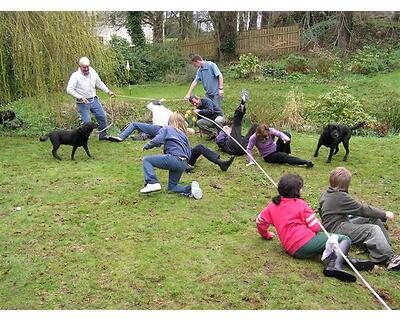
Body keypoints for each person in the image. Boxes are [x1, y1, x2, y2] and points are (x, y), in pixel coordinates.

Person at [256, 174, 374, 282]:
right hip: (305, 242)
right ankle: (335, 266)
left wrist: (265, 234)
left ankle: (349, 260)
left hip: (291, 249)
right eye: (301, 187)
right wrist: (315, 220)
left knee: (326, 244)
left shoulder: (272, 205)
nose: (302, 189)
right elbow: (316, 228)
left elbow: (260, 221)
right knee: (344, 239)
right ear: (296, 191)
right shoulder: (301, 205)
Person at [319, 167, 400, 271]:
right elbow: (362, 209)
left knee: (372, 219)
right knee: (372, 229)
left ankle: (384, 247)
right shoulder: (341, 197)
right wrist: (385, 214)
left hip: (336, 224)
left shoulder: (326, 193)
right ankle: (389, 258)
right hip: (337, 229)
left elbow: (321, 210)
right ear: (345, 185)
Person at [140, 112, 203, 200]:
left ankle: (152, 182)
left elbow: (158, 140)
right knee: (172, 187)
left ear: (170, 121)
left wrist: (147, 146)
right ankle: (190, 189)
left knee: (146, 160)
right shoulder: (183, 135)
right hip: (183, 163)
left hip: (173, 158)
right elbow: (189, 151)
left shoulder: (167, 129)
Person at [66, 57, 116, 141]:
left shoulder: (93, 72)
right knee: (87, 123)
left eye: (87, 67)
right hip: (82, 102)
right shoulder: (75, 76)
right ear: (80, 66)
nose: (86, 69)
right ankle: (83, 139)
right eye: (84, 67)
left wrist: (108, 91)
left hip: (94, 99)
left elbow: (99, 83)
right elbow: (69, 89)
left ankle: (103, 136)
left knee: (102, 117)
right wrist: (80, 97)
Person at [246, 124, 314, 168]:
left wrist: (285, 138)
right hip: (269, 156)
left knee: (286, 134)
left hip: (276, 148)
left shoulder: (270, 130)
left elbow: (280, 134)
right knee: (283, 156)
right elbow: (249, 148)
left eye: (266, 137)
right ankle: (305, 162)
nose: (264, 139)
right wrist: (251, 161)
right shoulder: (253, 137)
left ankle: (285, 154)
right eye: (262, 139)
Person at [215, 90, 258, 156]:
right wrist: (223, 132)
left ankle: (270, 140)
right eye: (227, 129)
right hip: (233, 146)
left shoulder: (236, 134)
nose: (228, 129)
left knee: (255, 126)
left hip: (243, 149)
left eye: (228, 128)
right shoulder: (224, 137)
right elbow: (219, 141)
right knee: (236, 123)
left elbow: (247, 140)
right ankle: (242, 104)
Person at [108, 100, 172, 142]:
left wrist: (158, 100)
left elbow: (148, 105)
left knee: (134, 124)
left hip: (157, 129)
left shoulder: (155, 107)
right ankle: (143, 136)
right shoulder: (169, 112)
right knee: (149, 125)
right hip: (165, 131)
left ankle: (121, 137)